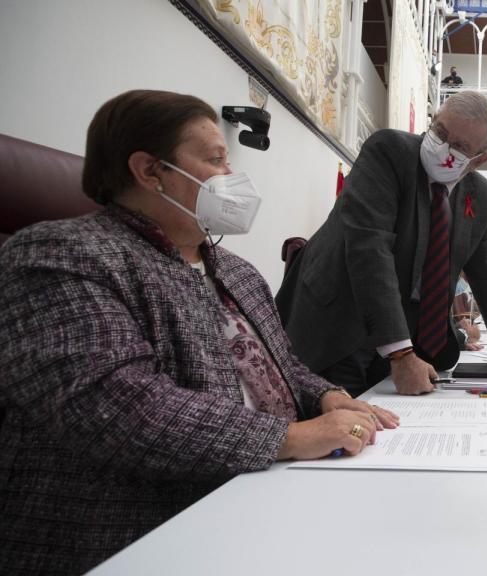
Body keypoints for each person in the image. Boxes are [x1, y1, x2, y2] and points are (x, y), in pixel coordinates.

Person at [0, 90, 400, 574]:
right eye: (215, 160)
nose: (232, 178)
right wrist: (290, 437)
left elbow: (282, 366)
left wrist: (328, 397)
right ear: (150, 171)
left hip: (264, 493)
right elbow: (117, 407)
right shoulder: (61, 255)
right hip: (142, 530)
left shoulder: (237, 271)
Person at [276, 91, 487, 397]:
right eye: (440, 133)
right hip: (338, 323)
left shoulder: (481, 195)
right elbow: (370, 248)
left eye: (459, 147)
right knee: (342, 425)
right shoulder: (389, 152)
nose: (443, 147)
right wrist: (401, 355)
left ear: (479, 160)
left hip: (407, 335)